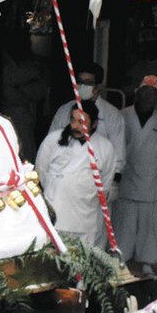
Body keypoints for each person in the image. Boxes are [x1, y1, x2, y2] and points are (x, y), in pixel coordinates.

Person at [114, 76, 157, 276]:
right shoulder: (122, 116)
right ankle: (119, 259)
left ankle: (147, 261)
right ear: (137, 93)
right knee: (123, 223)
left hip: (150, 184)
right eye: (144, 92)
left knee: (148, 228)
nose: (148, 96)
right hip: (125, 181)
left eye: (152, 94)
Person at [35, 100, 117, 249]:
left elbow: (105, 183)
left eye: (81, 121)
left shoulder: (106, 147)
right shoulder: (53, 140)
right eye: (73, 120)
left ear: (94, 124)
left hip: (86, 217)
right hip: (55, 212)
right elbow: (41, 170)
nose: (75, 126)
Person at [48, 64, 126, 194]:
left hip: (96, 185)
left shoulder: (112, 115)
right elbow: (51, 144)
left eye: (88, 83)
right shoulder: (64, 110)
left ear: (99, 86)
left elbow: (118, 154)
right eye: (80, 82)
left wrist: (112, 183)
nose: (83, 86)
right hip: (65, 182)